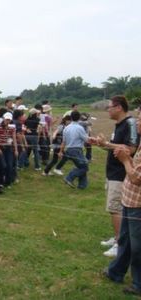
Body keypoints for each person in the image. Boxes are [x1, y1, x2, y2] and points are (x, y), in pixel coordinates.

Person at [102, 109, 141, 297]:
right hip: (130, 200)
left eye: (140, 118)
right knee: (125, 240)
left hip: (138, 205)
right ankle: (115, 272)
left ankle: (138, 283)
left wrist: (125, 160)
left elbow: (137, 178)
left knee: (137, 246)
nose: (137, 121)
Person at [94, 96, 137, 258]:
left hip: (120, 173)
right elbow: (116, 148)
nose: (108, 110)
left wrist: (107, 144)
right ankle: (119, 237)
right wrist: (102, 144)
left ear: (119, 107)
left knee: (116, 208)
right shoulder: (119, 125)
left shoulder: (129, 123)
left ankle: (121, 244)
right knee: (114, 208)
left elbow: (130, 149)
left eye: (110, 107)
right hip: (112, 172)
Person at [59, 111, 93, 189]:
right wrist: (94, 140)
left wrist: (61, 151)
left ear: (71, 118)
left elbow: (63, 142)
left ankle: (82, 186)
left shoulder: (66, 128)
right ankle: (69, 178)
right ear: (79, 118)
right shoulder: (79, 128)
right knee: (84, 167)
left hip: (68, 150)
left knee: (81, 166)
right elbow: (86, 139)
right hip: (76, 150)